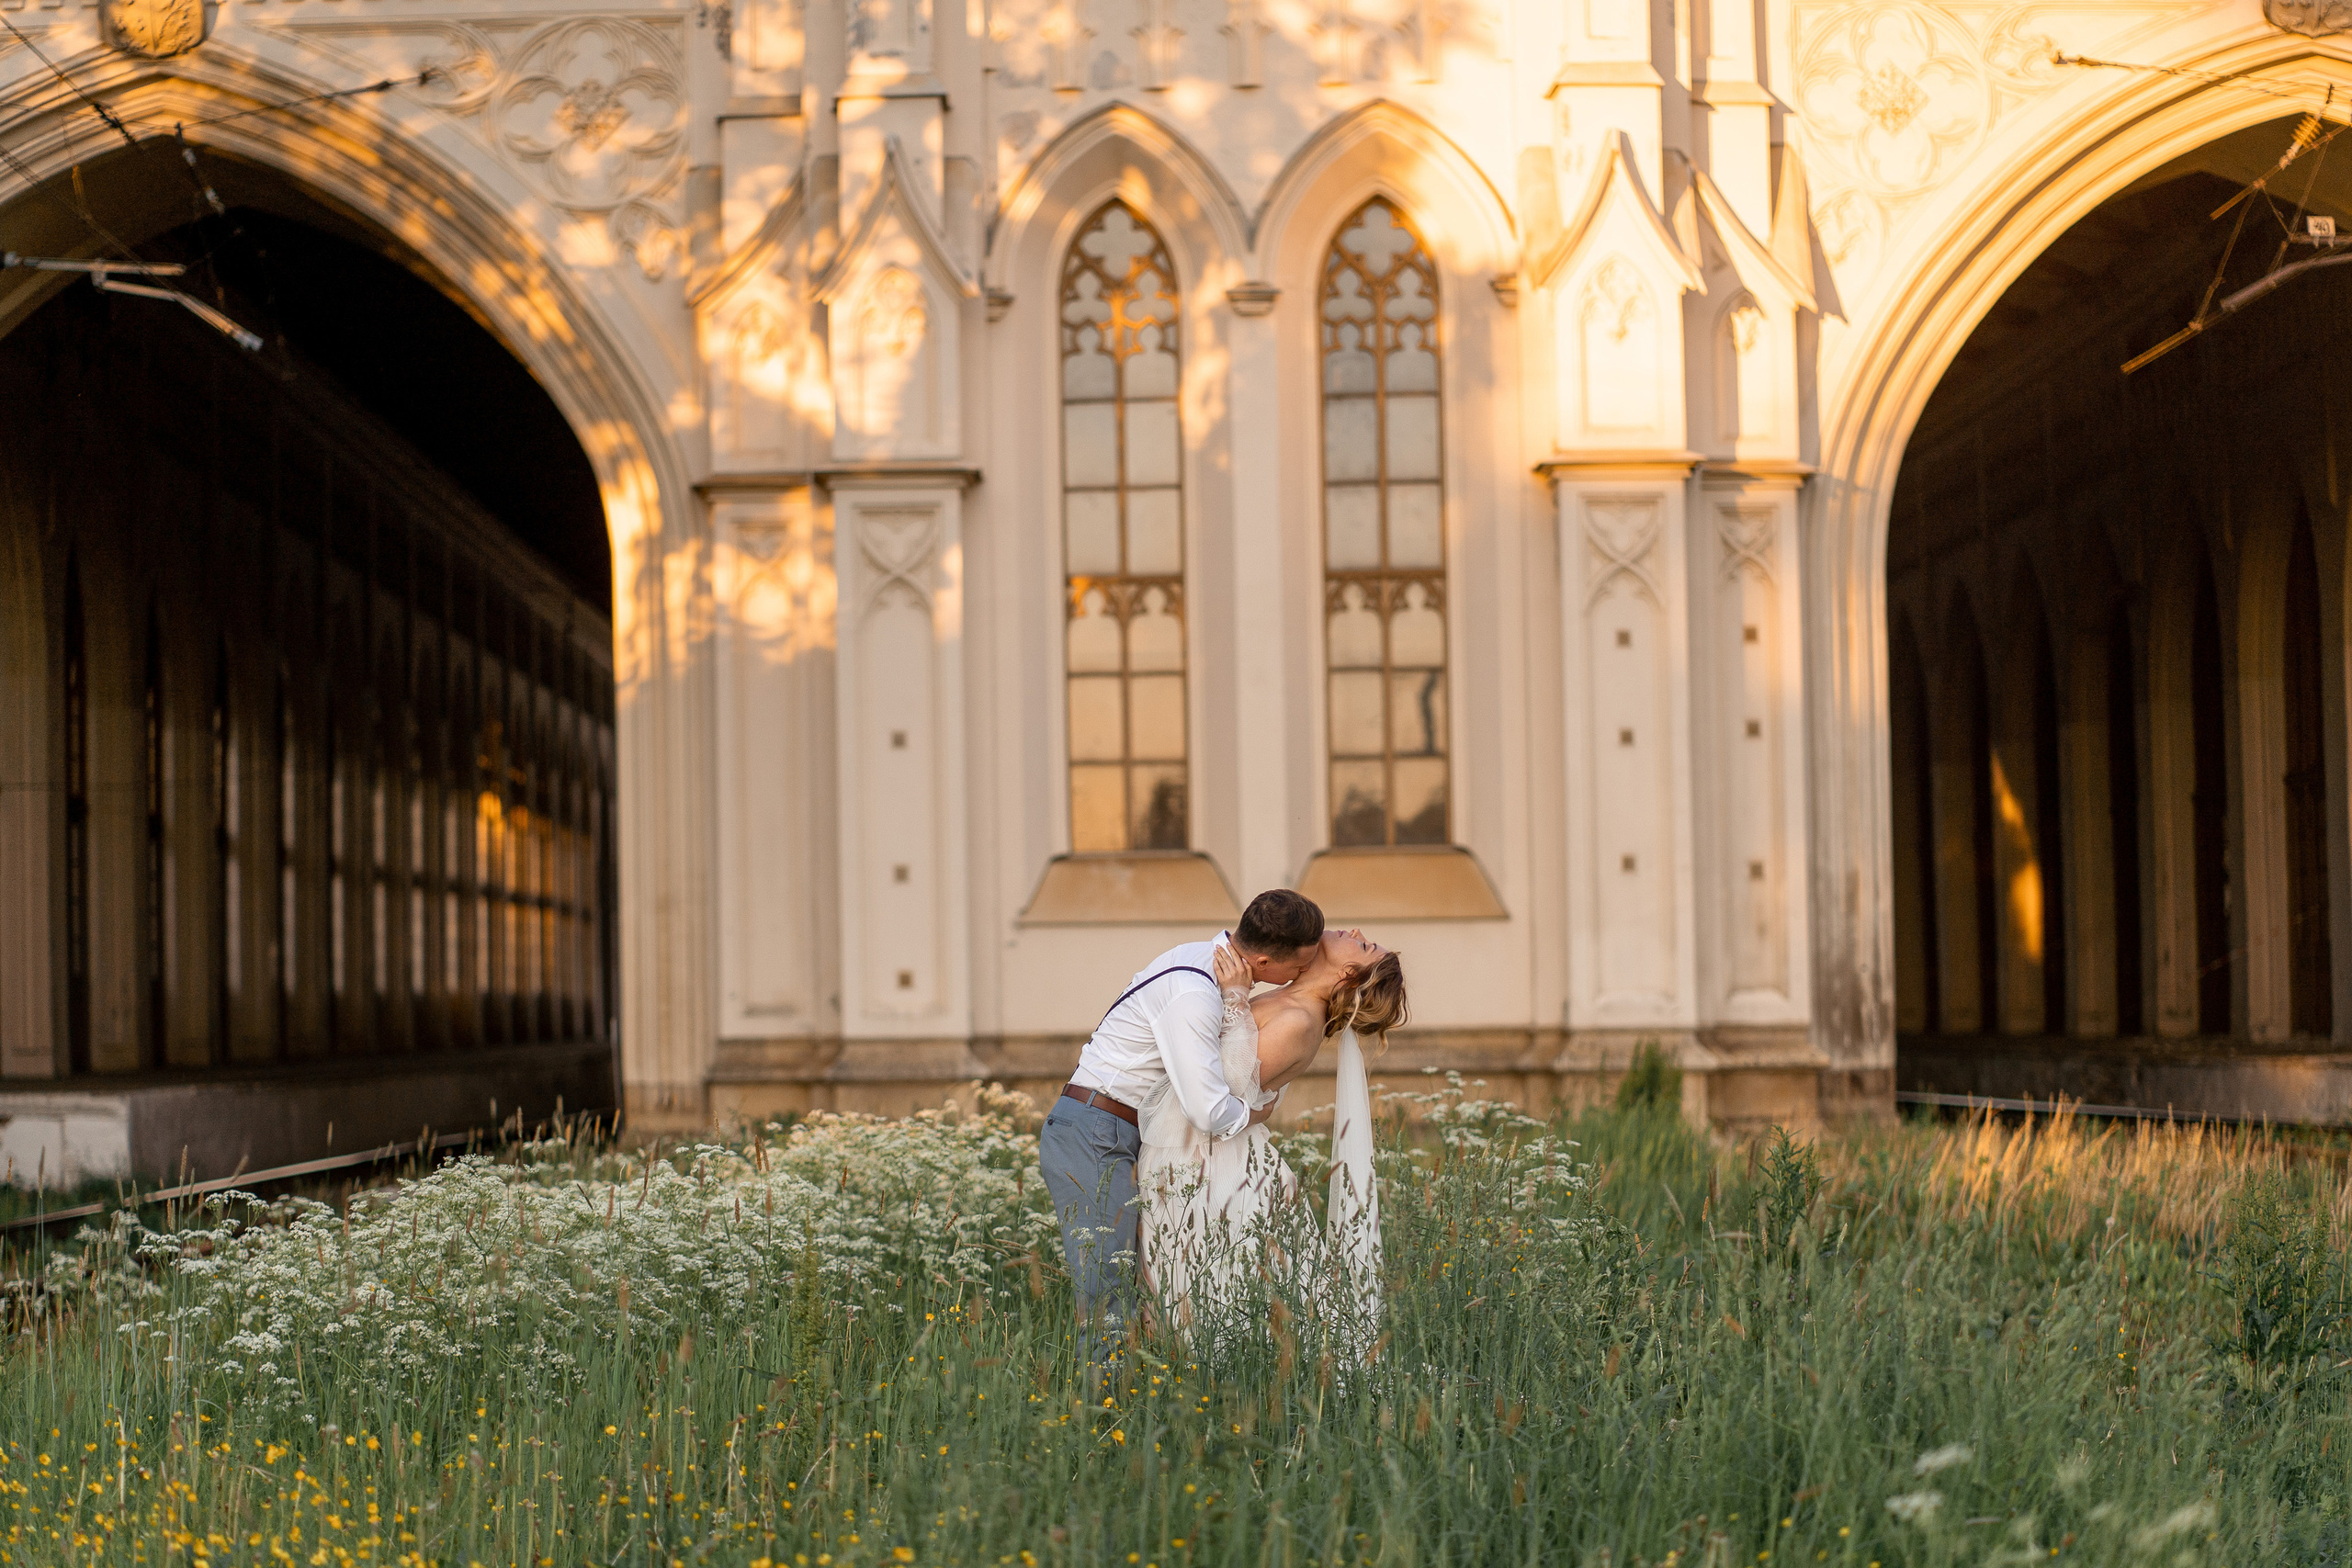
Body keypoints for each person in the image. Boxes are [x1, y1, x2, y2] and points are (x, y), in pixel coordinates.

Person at [1036, 888, 1324, 1389]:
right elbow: (1207, 1108)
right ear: (1263, 961)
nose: (1302, 974)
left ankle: (1136, 1398)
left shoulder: (1200, 960)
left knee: (1140, 1281)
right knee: (1107, 1287)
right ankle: (1098, 1413)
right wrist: (1255, 1113)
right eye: (1298, 966)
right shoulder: (1194, 992)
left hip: (1120, 1129)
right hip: (1097, 1131)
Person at [1136, 926, 1408, 1341]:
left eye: (1364, 945)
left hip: (1209, 1164)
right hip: (1194, 1151)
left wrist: (1234, 998)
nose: (1355, 931)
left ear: (1349, 972)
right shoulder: (1286, 999)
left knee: (1191, 1286)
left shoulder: (1300, 1020)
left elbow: (1224, 1090)